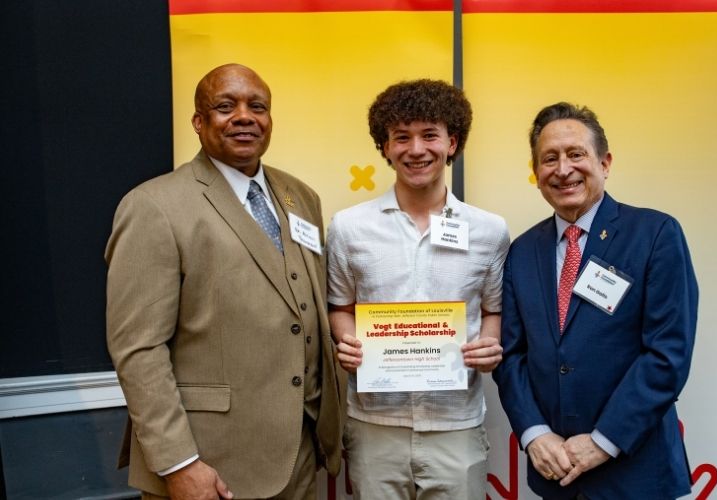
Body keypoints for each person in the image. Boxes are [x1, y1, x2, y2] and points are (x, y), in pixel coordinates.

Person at [106, 63, 345, 499]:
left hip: (302, 456)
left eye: (258, 106)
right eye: (224, 106)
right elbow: (138, 349)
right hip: (210, 465)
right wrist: (179, 464)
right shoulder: (153, 206)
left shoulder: (301, 197)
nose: (244, 116)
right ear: (199, 122)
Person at [493, 102, 698, 499]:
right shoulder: (521, 251)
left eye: (576, 154)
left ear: (604, 162)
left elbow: (667, 353)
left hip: (636, 472)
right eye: (549, 158)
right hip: (555, 471)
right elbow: (511, 355)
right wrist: (535, 434)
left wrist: (603, 440)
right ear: (536, 174)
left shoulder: (655, 234)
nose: (563, 169)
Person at [327, 79, 510, 499]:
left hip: (456, 424)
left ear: (452, 143)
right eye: (401, 137)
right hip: (375, 425)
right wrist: (347, 340)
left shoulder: (489, 230)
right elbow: (340, 305)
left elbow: (493, 309)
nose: (416, 149)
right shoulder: (348, 227)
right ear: (385, 147)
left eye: (429, 135)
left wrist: (489, 344)